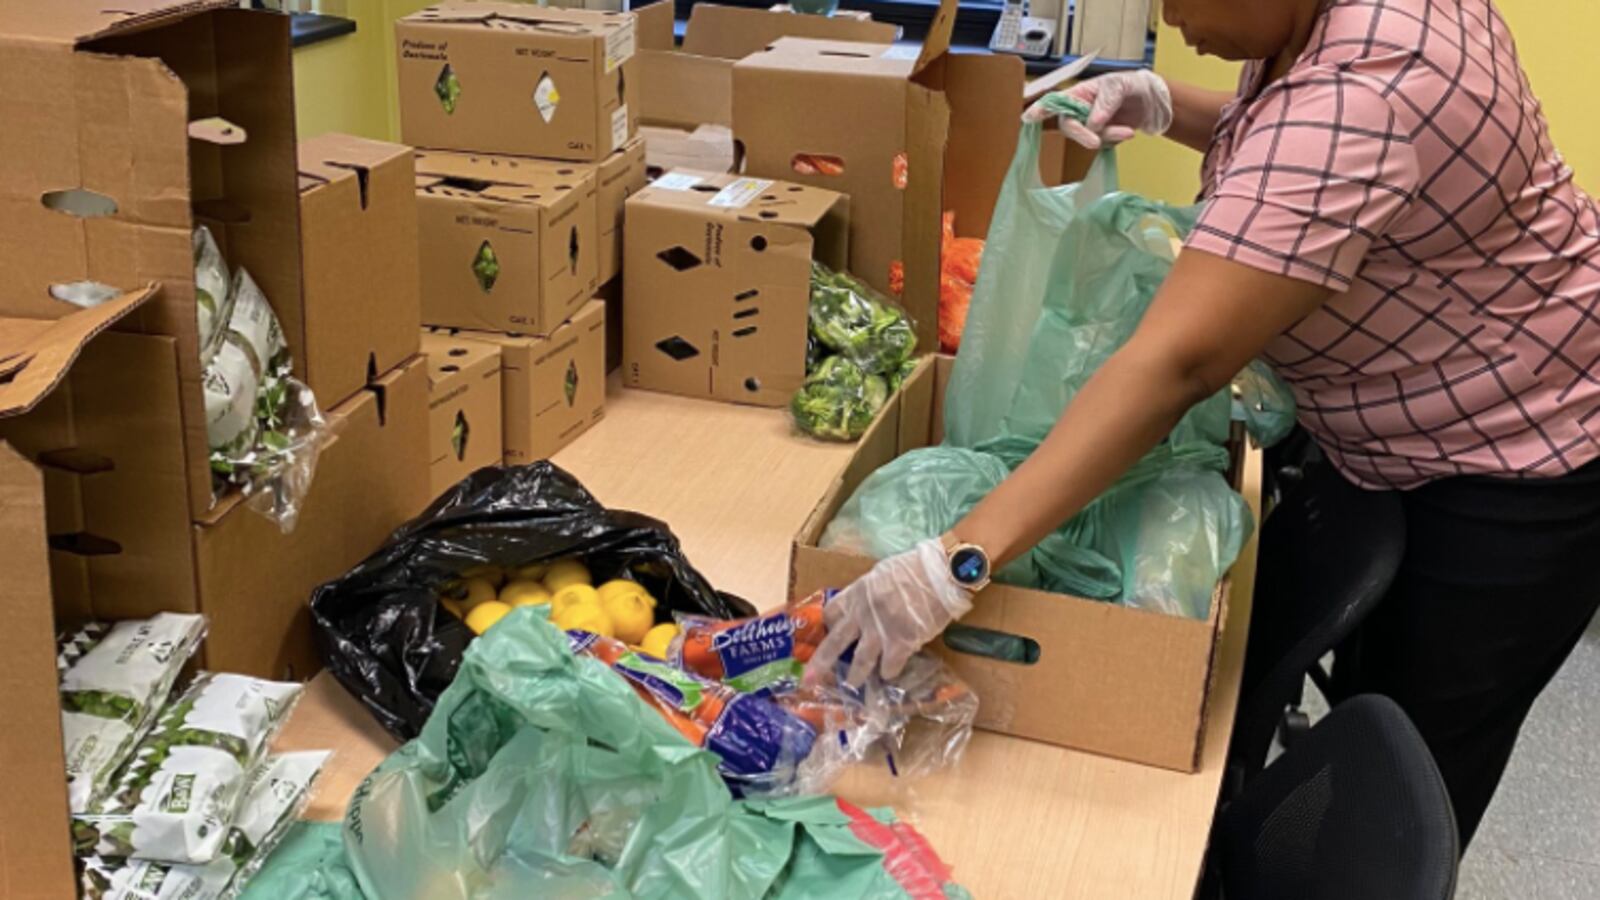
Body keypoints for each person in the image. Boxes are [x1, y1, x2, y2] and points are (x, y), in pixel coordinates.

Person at [808, 0, 1600, 848]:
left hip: (1515, 457)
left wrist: (953, 563)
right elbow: (1286, 145)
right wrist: (1164, 104)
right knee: (1315, 696)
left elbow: (1178, 365)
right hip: (1400, 425)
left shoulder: (1366, 92)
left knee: (1396, 786)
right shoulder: (1334, 29)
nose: (1169, 17)